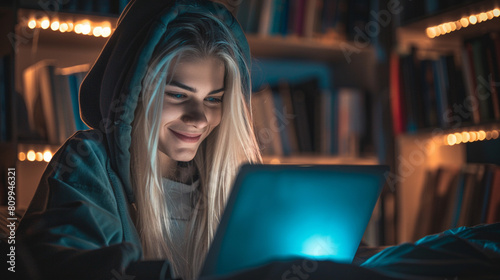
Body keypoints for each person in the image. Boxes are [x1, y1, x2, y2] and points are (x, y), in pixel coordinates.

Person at [16, 1, 261, 279]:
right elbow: (69, 262)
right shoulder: (86, 162)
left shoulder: (233, 181)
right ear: (136, 91)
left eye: (213, 99)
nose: (199, 118)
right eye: (178, 95)